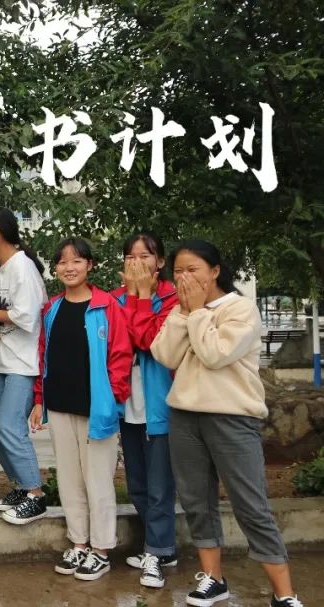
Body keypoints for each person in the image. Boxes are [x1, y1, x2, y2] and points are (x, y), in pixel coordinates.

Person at [151, 240, 303, 607]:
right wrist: (184, 313)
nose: (184, 278)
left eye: (193, 270)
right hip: (185, 416)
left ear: (215, 271)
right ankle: (213, 579)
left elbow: (215, 354)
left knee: (251, 505)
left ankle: (284, 594)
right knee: (196, 501)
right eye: (178, 271)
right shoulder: (183, 310)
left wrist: (197, 312)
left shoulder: (240, 309)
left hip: (232, 417)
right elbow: (164, 354)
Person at [31, 238, 132, 582]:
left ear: (90, 265)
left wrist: (113, 400)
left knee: (98, 480)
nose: (69, 267)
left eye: (76, 261)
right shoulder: (52, 309)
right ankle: (79, 543)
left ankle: (101, 550)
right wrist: (39, 399)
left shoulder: (107, 306)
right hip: (60, 405)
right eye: (62, 262)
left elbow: (121, 357)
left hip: (96, 409)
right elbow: (43, 355)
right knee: (69, 478)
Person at [0, 208, 49, 524]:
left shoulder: (22, 268)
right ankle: (21, 486)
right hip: (4, 362)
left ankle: (35, 494)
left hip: (25, 364)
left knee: (9, 428)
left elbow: (27, 315)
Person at [111, 232, 180, 588]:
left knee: (159, 484)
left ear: (160, 262)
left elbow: (148, 340)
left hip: (160, 403)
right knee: (136, 482)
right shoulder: (114, 299)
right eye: (130, 256)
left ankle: (156, 550)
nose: (137, 262)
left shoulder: (172, 298)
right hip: (128, 403)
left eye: (145, 256)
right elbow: (116, 342)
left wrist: (140, 295)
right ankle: (163, 547)